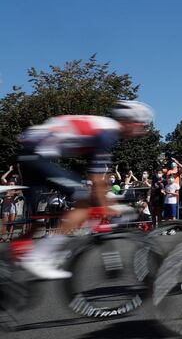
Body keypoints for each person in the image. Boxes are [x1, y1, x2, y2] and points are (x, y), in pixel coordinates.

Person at [15, 100, 154, 279]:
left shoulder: (103, 126)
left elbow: (98, 177)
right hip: (37, 155)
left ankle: (13, 260)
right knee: (84, 202)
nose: (141, 130)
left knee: (38, 220)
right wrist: (108, 207)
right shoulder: (107, 132)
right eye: (141, 124)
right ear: (128, 121)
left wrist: (108, 203)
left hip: (31, 153)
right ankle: (39, 257)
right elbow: (96, 180)